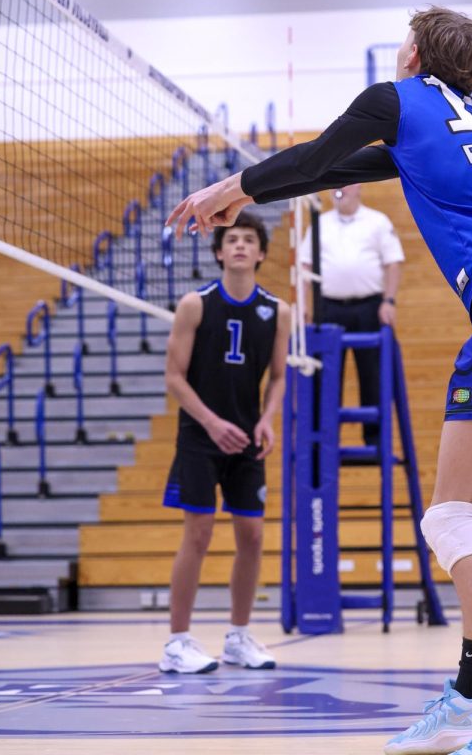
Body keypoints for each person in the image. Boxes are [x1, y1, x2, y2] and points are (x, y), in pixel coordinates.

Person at [168, 6, 472, 755]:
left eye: (405, 38)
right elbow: (339, 169)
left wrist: (225, 188)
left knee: (453, 520)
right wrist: (251, 194)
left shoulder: (397, 97)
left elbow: (316, 156)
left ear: (416, 53)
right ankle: (471, 697)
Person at [159, 212, 290, 675]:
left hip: (247, 437)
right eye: (231, 239)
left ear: (261, 253)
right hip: (200, 436)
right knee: (198, 533)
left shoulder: (278, 311)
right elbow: (174, 377)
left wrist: (268, 420)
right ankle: (177, 642)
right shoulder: (195, 305)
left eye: (249, 239)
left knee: (252, 536)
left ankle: (237, 637)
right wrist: (212, 423)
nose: (239, 245)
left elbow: (279, 377)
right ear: (218, 251)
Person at [301, 183, 404, 446]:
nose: (339, 189)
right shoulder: (319, 223)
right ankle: (324, 444)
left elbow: (393, 262)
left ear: (358, 187)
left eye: (344, 184)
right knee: (325, 378)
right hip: (328, 308)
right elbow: (305, 266)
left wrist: (389, 301)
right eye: (334, 185)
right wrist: (303, 305)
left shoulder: (377, 221)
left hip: (369, 307)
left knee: (372, 375)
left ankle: (375, 442)